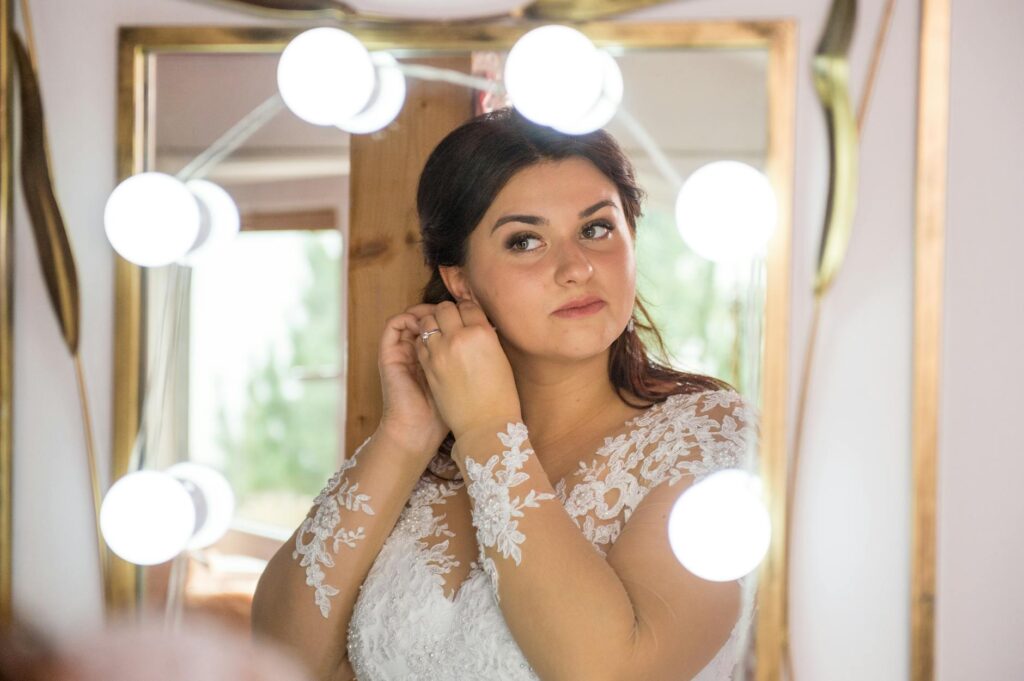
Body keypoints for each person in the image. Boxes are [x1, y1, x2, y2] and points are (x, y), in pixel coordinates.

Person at [251, 106, 760, 681]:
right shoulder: (422, 466)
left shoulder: (709, 440)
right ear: (459, 279)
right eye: (525, 241)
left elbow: (612, 672)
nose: (575, 268)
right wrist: (404, 434)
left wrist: (487, 431)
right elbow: (278, 657)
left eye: (596, 228)